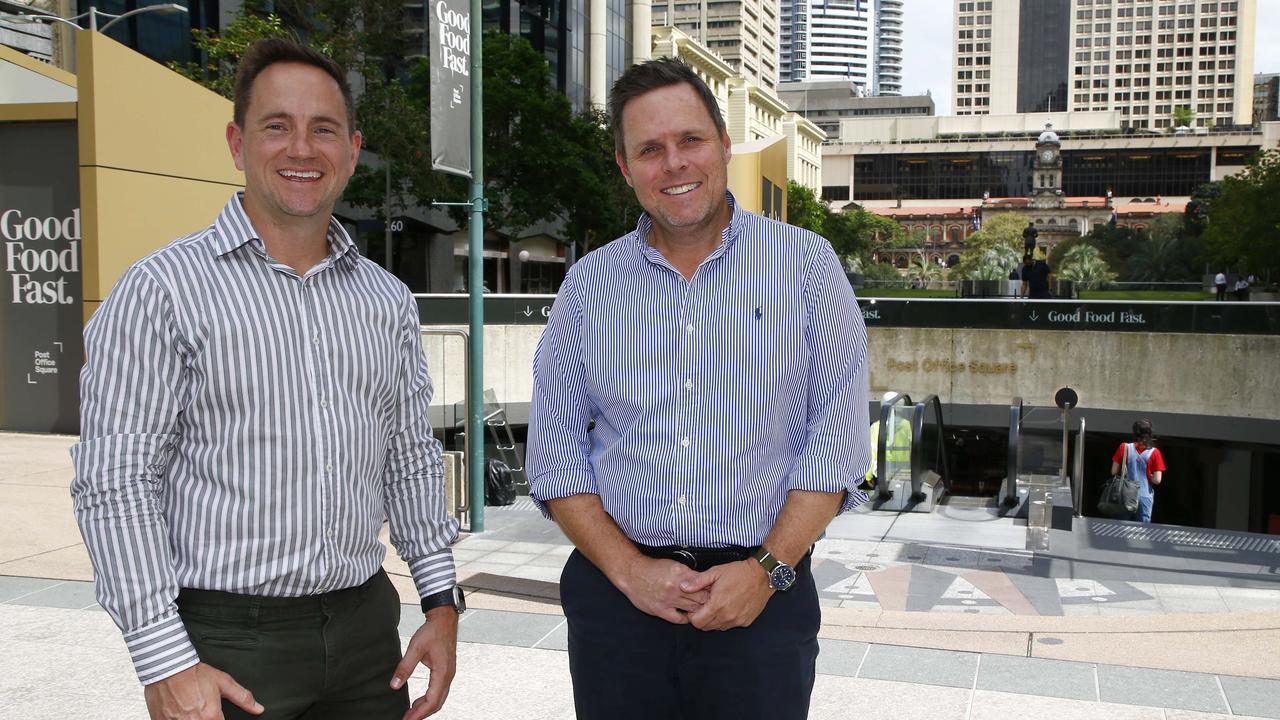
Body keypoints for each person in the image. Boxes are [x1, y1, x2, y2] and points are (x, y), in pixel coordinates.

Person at [70, 39, 462, 720]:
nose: (301, 149)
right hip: (228, 642)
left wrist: (440, 599)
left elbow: (408, 456)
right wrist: (163, 659)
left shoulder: (386, 300)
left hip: (368, 634)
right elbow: (115, 481)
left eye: (324, 129)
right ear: (236, 141)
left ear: (351, 147)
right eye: (276, 126)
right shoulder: (161, 291)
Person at [525, 57, 871, 720]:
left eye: (690, 140)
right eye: (649, 150)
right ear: (626, 169)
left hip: (761, 601)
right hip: (617, 606)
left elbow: (835, 443)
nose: (674, 164)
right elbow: (556, 457)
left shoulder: (805, 266)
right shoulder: (589, 288)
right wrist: (628, 571)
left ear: (723, 145)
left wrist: (768, 571)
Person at [1110, 419, 1166, 523]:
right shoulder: (1155, 452)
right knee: (1142, 531)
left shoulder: (1124, 447)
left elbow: (1113, 471)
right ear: (1150, 433)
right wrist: (1149, 475)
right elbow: (1157, 480)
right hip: (1144, 496)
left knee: (1122, 528)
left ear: (1134, 432)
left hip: (1124, 496)